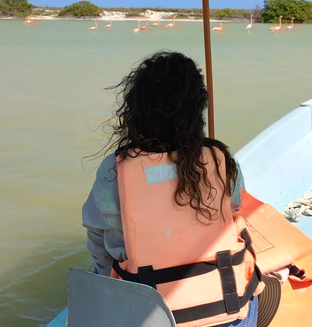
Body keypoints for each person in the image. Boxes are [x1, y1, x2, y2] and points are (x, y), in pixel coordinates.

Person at [82, 51, 259, 327]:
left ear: (136, 111)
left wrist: (109, 286)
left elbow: (100, 240)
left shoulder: (113, 170)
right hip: (224, 309)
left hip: (146, 314)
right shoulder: (220, 159)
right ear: (197, 109)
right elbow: (233, 208)